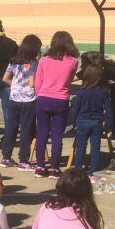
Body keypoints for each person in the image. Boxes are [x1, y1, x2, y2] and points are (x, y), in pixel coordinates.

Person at [34, 31, 79, 179]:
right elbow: (70, 79)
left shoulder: (44, 60)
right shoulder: (73, 61)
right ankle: (55, 168)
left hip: (43, 98)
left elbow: (38, 82)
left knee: (41, 134)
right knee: (57, 136)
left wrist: (41, 94)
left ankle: (40, 166)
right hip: (61, 99)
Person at [0, 35, 42, 170]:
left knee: (11, 127)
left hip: (14, 98)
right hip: (28, 99)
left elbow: (5, 78)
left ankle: (6, 157)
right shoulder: (33, 63)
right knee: (26, 129)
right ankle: (23, 160)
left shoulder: (13, 61)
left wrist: (15, 86)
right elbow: (31, 83)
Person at [68, 64, 112, 180]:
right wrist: (109, 126)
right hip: (97, 122)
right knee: (95, 148)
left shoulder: (81, 92)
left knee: (81, 147)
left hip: (82, 121)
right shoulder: (103, 92)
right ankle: (94, 173)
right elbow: (108, 111)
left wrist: (74, 123)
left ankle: (78, 172)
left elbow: (75, 109)